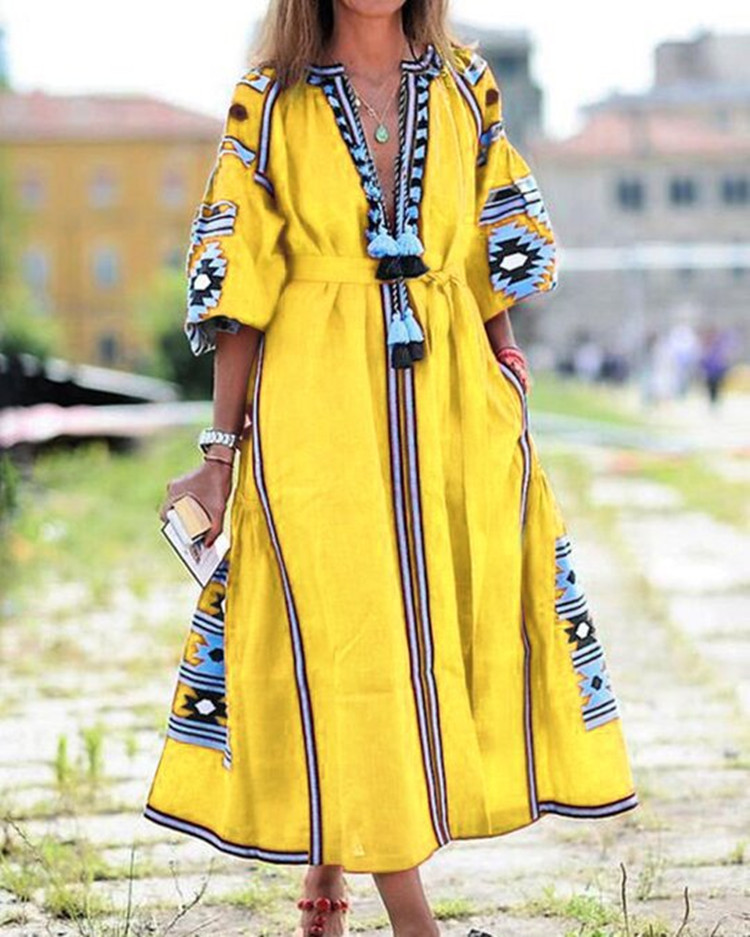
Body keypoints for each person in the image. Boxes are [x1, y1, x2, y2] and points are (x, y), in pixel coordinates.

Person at [146, 2, 638, 935]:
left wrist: (504, 356)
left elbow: (491, 237)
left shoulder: (465, 85)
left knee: (429, 628)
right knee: (351, 633)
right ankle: (417, 922)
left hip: (451, 397)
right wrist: (219, 449)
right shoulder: (270, 99)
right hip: (316, 399)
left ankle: (328, 866)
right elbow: (240, 278)